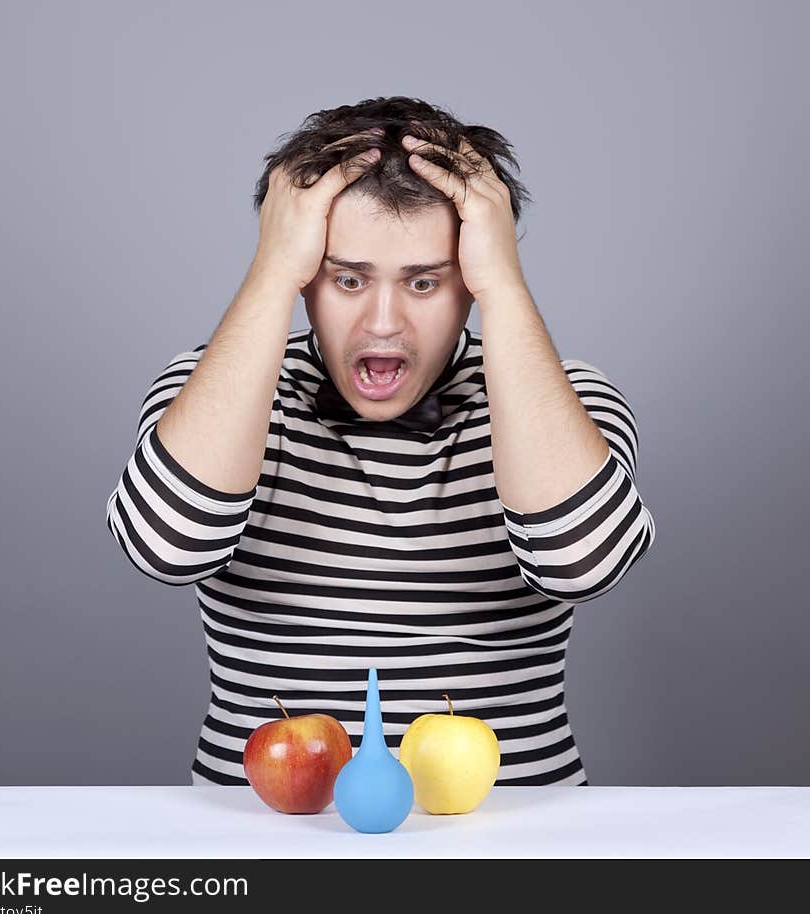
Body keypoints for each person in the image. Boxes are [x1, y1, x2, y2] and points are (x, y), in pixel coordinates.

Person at [105, 96, 656, 787]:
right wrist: (271, 271)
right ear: (305, 276)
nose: (385, 322)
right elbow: (165, 546)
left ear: (470, 284)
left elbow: (586, 563)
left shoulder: (569, 395)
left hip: (516, 843)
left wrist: (505, 284)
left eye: (425, 281)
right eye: (346, 278)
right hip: (260, 843)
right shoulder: (210, 387)